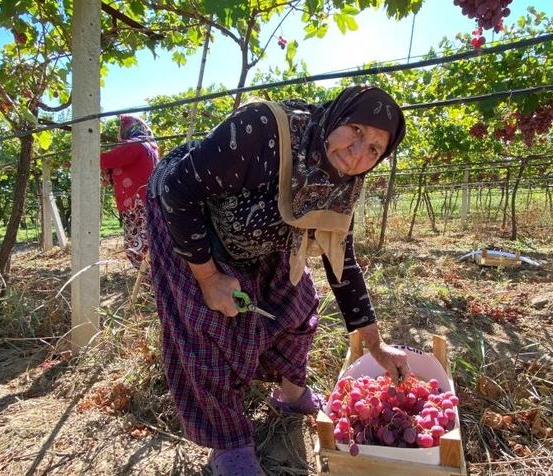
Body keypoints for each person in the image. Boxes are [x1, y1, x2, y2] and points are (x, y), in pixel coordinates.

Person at [146, 85, 410, 476]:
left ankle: (290, 393)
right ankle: (228, 444)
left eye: (374, 148)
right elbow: (177, 191)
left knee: (296, 303)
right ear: (335, 116)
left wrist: (377, 345)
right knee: (206, 325)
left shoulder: (345, 183)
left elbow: (344, 265)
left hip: (260, 229)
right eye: (355, 131)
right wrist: (207, 278)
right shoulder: (263, 131)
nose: (358, 154)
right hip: (186, 216)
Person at [100, 115, 159, 269]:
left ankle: (154, 285)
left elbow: (106, 159)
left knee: (138, 249)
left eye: (120, 128)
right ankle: (156, 285)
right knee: (146, 247)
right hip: (143, 203)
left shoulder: (135, 144)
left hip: (137, 204)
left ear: (129, 127)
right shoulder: (147, 146)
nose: (118, 133)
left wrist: (85, 153)